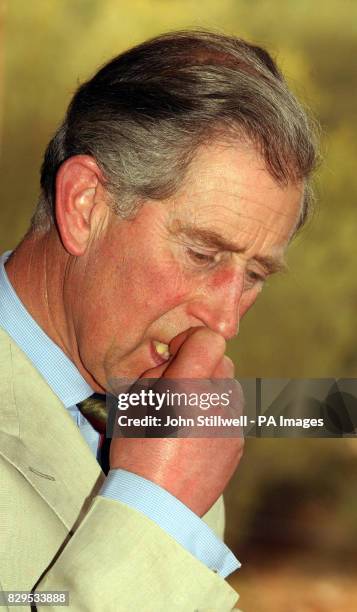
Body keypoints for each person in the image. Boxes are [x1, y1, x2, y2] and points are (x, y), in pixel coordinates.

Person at [0, 30, 318, 610]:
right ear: (85, 206)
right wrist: (155, 506)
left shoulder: (171, 422)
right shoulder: (167, 467)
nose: (224, 324)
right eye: (202, 254)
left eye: (254, 275)